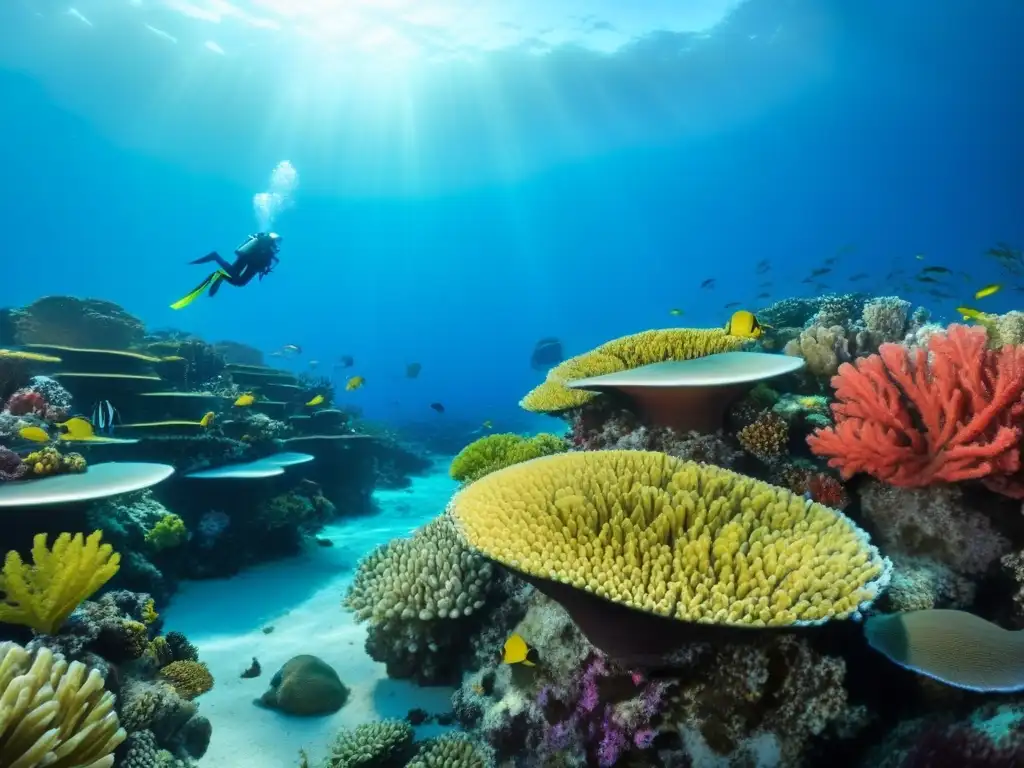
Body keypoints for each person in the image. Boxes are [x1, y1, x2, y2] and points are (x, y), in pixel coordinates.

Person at [170, 232, 282, 310]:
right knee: (238, 280)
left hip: (248, 261)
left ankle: (220, 273)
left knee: (237, 280)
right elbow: (264, 262)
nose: (278, 245)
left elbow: (265, 264)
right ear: (274, 240)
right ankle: (216, 259)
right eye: (278, 241)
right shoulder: (267, 247)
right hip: (248, 261)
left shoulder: (266, 247)